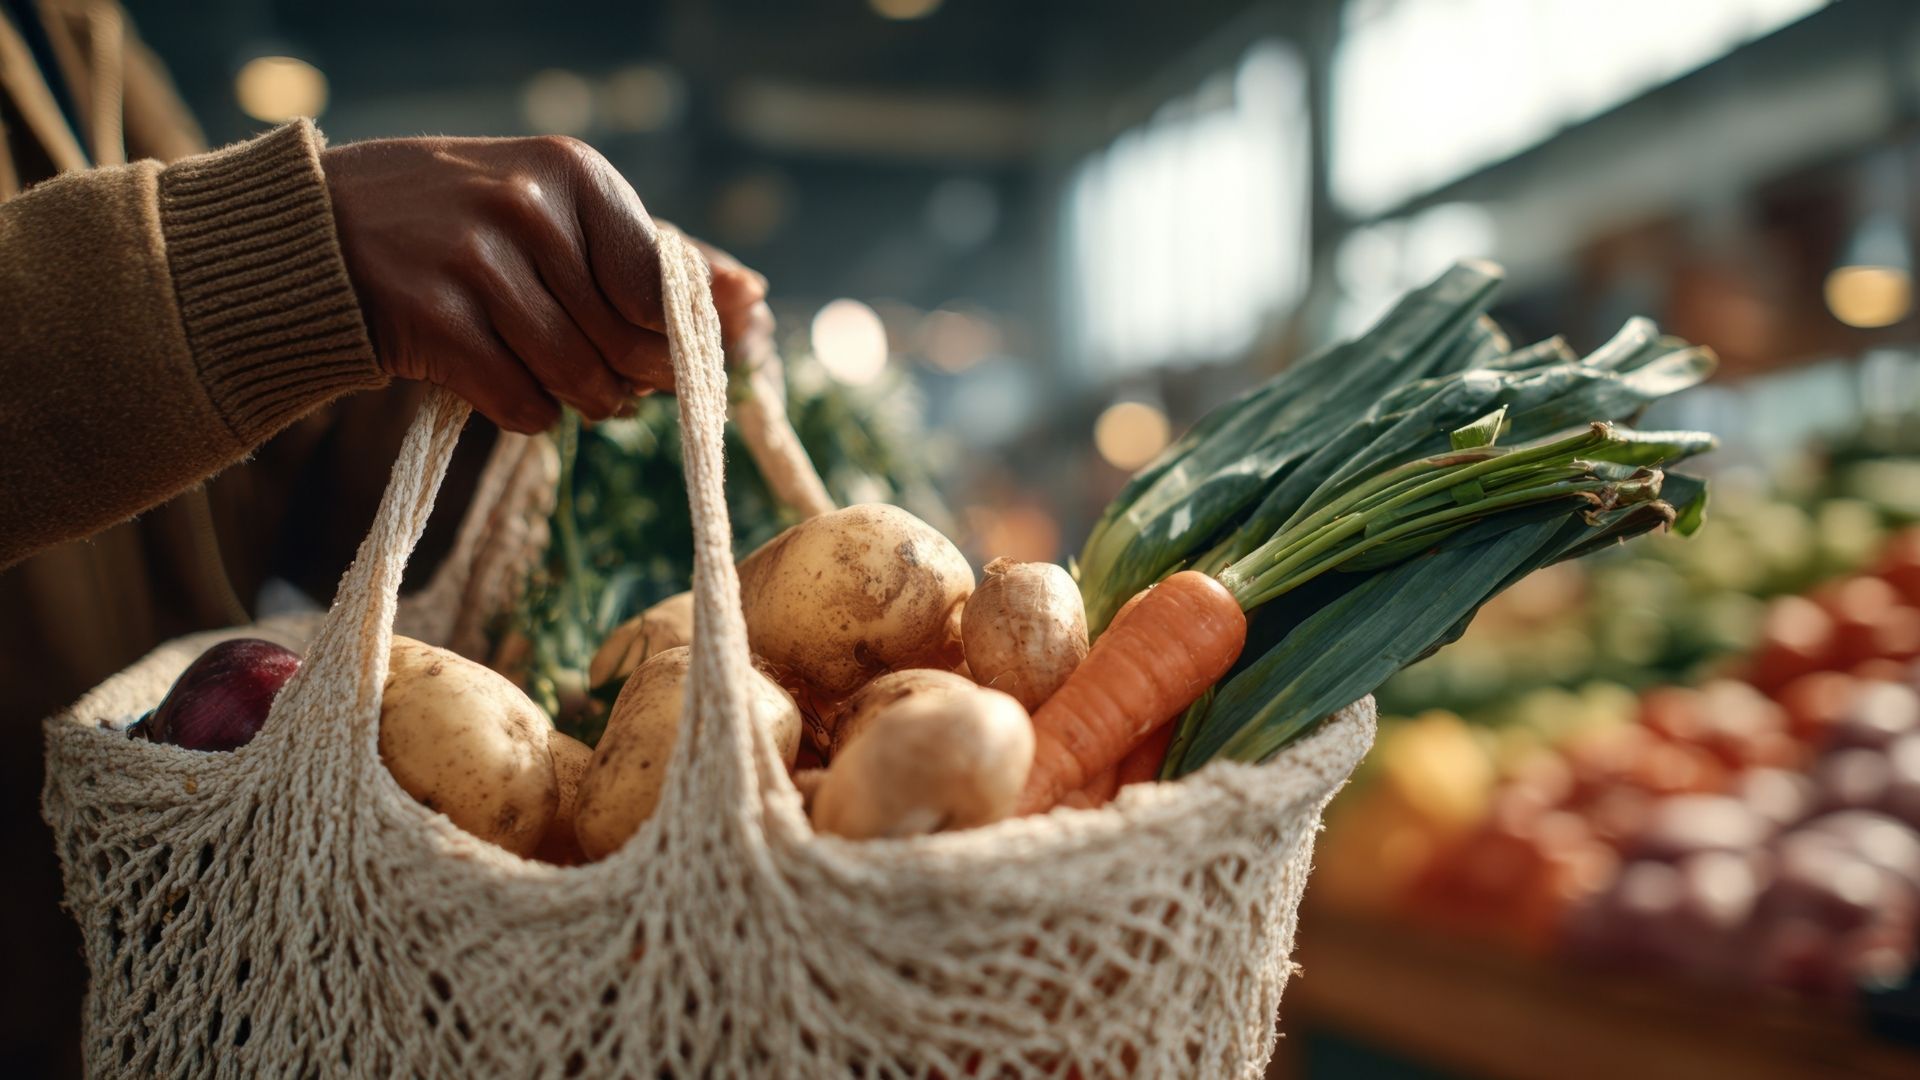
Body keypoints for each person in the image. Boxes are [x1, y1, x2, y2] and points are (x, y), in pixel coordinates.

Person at [0, 3, 771, 1071]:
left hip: (158, 950)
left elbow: (268, 470)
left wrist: (513, 329)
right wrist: (297, 254)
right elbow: (224, 296)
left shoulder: (70, 28)